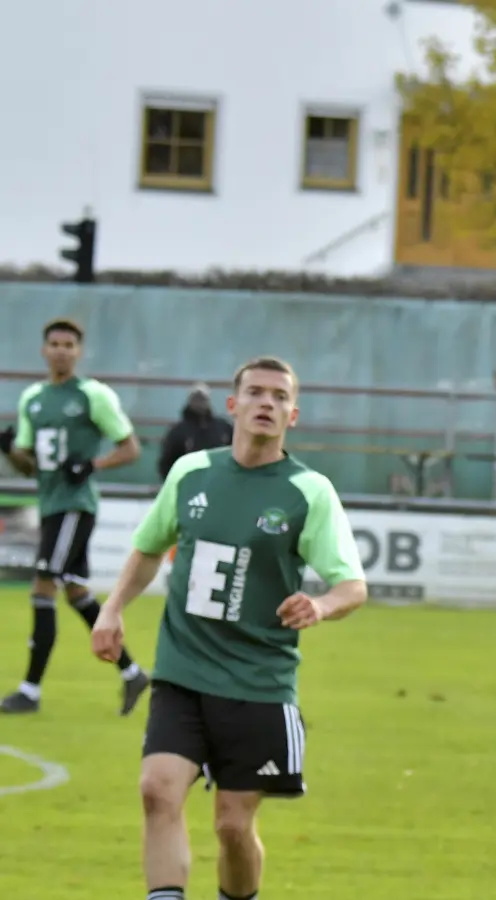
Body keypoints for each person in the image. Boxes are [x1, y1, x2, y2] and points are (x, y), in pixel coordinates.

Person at [91, 356, 368, 900]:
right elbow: (148, 548)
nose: (268, 402)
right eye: (257, 393)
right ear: (233, 405)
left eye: (280, 396)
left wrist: (321, 606)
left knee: (233, 826)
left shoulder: (308, 491)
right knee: (157, 790)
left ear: (293, 415)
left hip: (257, 683)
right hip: (182, 672)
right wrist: (112, 608)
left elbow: (351, 586)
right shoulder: (192, 472)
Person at [0, 317, 148, 715]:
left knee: (42, 587)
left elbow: (130, 447)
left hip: (75, 505)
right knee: (77, 593)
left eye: (69, 344)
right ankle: (132, 673)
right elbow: (29, 467)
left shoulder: (92, 395)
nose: (62, 350)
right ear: (44, 349)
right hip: (50, 506)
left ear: (79, 351)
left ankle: (29, 691)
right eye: (55, 343)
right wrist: (9, 449)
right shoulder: (33, 398)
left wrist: (93, 465)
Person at [157, 383, 233, 480]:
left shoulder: (224, 427)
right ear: (189, 401)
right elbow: (166, 463)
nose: (199, 402)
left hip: (220, 482)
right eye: (196, 398)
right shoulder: (177, 431)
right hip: (189, 485)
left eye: (203, 398)